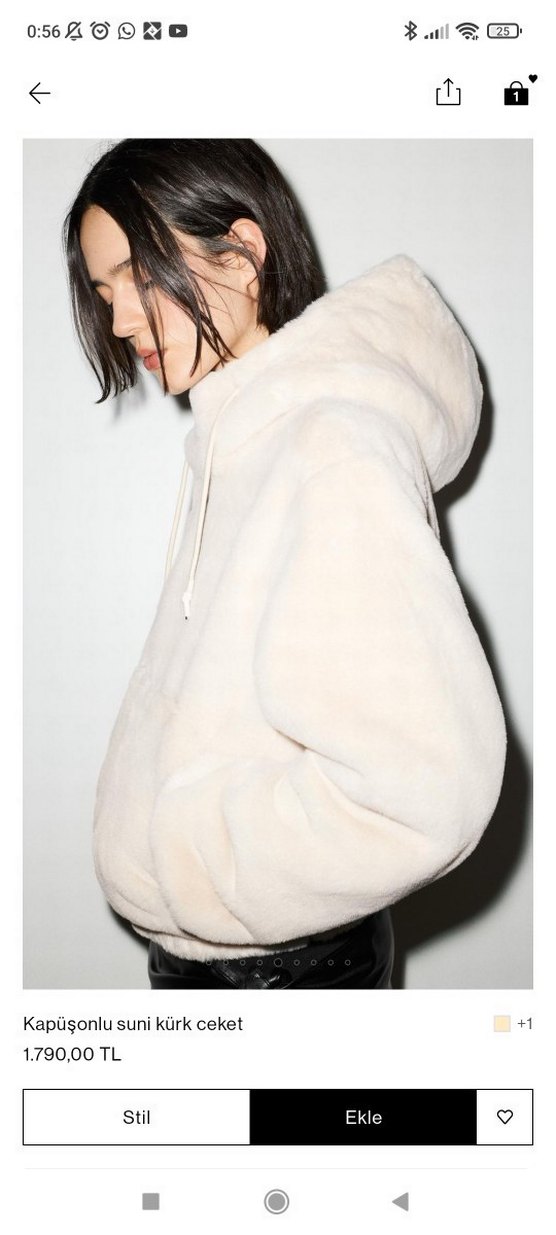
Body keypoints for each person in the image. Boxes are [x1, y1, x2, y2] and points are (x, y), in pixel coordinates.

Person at [64, 139, 506, 989]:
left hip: (287, 975)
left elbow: (427, 790)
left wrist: (186, 854)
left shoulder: (329, 444)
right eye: (103, 291)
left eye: (138, 275)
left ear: (241, 253)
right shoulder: (232, 444)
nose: (118, 321)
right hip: (235, 962)